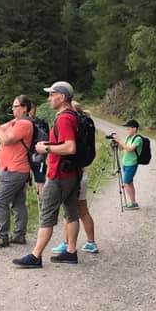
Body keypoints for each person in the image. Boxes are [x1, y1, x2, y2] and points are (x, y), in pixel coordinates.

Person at [13, 81, 81, 268]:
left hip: (59, 174)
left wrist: (46, 148)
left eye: (52, 94)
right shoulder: (73, 115)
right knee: (71, 213)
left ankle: (36, 256)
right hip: (73, 173)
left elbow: (70, 147)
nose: (49, 98)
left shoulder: (64, 119)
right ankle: (71, 252)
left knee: (47, 214)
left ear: (62, 96)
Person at [0, 96, 34, 248]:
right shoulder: (15, 122)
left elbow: (4, 139)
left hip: (14, 170)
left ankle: (2, 237)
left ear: (25, 108)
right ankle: (19, 235)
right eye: (12, 107)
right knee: (18, 203)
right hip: (15, 170)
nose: (13, 109)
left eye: (16, 106)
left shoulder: (24, 124)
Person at [52, 102, 99, 255]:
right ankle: (89, 242)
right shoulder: (82, 127)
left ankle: (69, 244)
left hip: (75, 174)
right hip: (81, 173)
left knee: (72, 210)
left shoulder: (72, 125)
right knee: (79, 209)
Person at [111, 118, 144, 210]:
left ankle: (133, 203)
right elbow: (122, 148)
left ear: (134, 129)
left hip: (132, 163)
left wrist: (120, 141)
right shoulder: (128, 138)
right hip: (125, 163)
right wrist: (118, 141)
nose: (126, 130)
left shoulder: (138, 139)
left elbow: (130, 149)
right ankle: (133, 202)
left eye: (128, 128)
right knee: (130, 183)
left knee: (126, 183)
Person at [26, 100, 49, 199]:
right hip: (39, 156)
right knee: (40, 182)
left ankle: (43, 208)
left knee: (39, 183)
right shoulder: (42, 123)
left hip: (27, 156)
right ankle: (43, 207)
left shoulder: (23, 123)